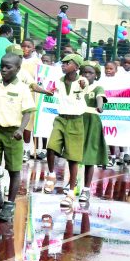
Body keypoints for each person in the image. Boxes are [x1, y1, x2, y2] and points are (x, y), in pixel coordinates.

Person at [0, 53, 35, 222]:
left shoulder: (22, 89)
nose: (4, 69)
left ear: (18, 69)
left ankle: (9, 204)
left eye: (8, 67)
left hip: (14, 133)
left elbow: (27, 112)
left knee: (13, 170)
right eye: (2, 66)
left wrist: (21, 129)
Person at [43, 53, 88, 209]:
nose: (63, 65)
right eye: (62, 63)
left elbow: (84, 85)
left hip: (76, 121)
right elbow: (49, 90)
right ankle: (51, 175)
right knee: (50, 147)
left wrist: (83, 84)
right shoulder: (59, 81)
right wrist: (41, 89)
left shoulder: (82, 81)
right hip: (61, 119)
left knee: (73, 158)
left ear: (76, 67)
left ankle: (70, 193)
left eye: (67, 63)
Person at [79, 61, 108, 204]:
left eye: (90, 73)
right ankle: (72, 184)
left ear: (96, 75)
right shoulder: (77, 86)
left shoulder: (97, 87)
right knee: (74, 154)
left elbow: (99, 97)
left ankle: (85, 189)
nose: (86, 75)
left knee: (89, 157)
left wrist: (99, 106)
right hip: (77, 121)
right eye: (84, 72)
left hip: (91, 123)